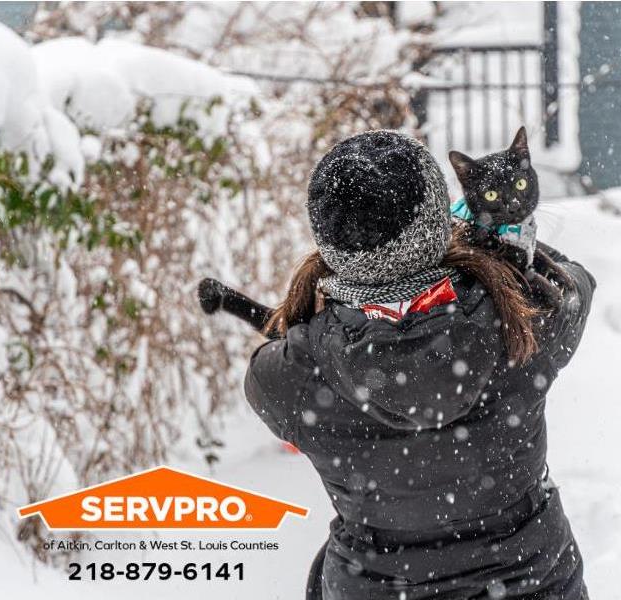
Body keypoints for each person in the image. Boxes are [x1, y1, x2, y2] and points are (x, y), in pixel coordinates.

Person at [244, 130, 595, 600]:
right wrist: (500, 256)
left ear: (330, 244)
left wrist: (324, 317)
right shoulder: (525, 318)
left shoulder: (294, 377)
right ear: (438, 223)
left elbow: (263, 374)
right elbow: (577, 284)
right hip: (533, 581)